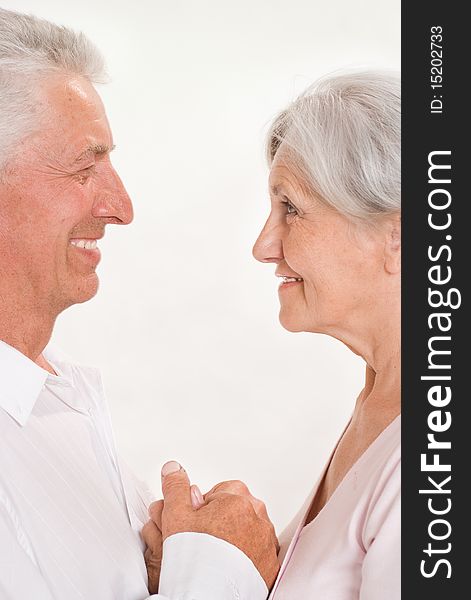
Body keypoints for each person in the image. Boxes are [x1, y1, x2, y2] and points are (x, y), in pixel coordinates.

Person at [0, 8, 278, 600]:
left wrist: (156, 578)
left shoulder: (53, 405)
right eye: (84, 166)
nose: (121, 206)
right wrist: (222, 573)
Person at [146, 71, 401, 598]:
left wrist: (218, 583)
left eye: (292, 208)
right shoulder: (379, 408)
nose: (265, 246)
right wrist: (212, 568)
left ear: (399, 235)